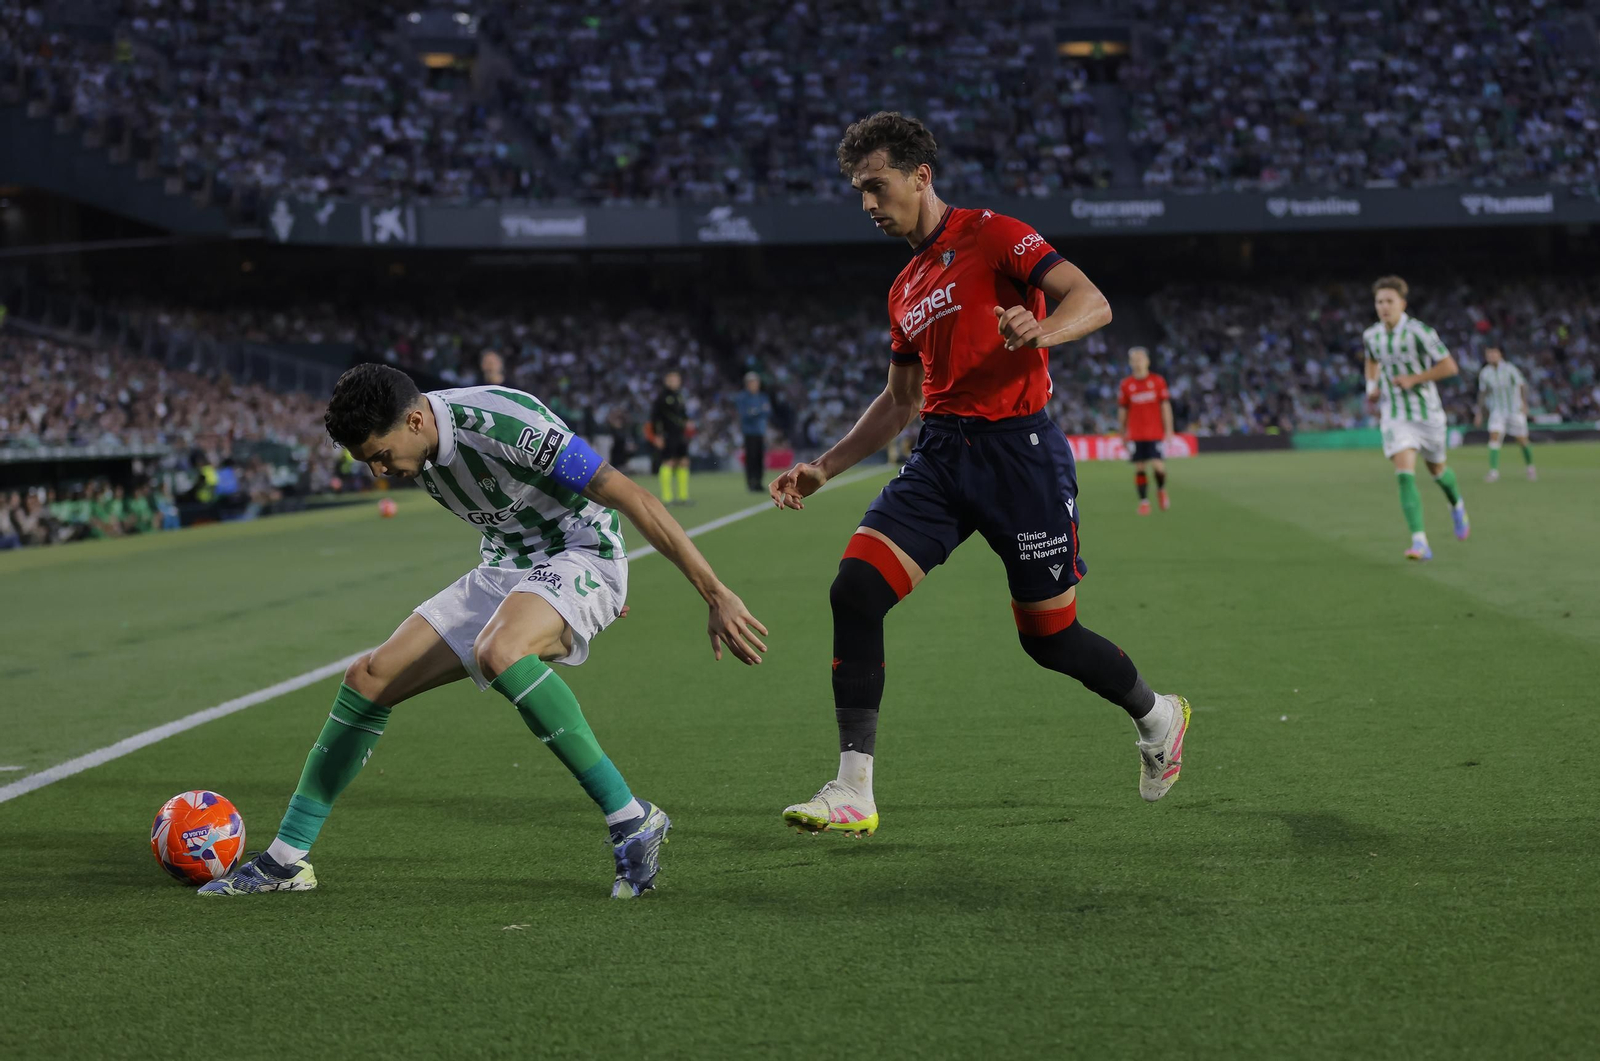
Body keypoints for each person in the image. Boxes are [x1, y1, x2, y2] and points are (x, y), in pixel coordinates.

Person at [768, 111, 1191, 839]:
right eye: (858, 192)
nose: (868, 204)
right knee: (856, 588)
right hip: (941, 458)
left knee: (1050, 638)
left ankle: (1159, 715)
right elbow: (902, 400)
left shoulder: (994, 233)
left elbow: (1093, 301)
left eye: (877, 186)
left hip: (1021, 457)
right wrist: (826, 466)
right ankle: (853, 788)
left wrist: (1042, 328)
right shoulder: (903, 287)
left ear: (921, 175)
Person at [199, 365, 768, 900]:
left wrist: (715, 592)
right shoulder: (418, 445)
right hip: (505, 569)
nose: (379, 472)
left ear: (415, 421)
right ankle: (285, 860)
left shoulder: (507, 428)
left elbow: (631, 496)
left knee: (500, 648)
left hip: (580, 555)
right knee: (368, 677)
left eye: (380, 455)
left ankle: (632, 820)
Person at [1362, 276, 1469, 561]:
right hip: (1395, 415)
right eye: (1379, 302)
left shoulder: (1420, 332)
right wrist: (1371, 388)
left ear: (1402, 304)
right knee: (1404, 474)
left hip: (1428, 414)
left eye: (1389, 301)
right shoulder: (1371, 335)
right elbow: (1371, 360)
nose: (1384, 307)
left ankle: (1456, 504)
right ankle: (1420, 541)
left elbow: (1449, 366)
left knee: (1438, 473)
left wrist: (1414, 379)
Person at [1116, 346, 1174, 514]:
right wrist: (1122, 432)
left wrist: (1169, 430)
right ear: (1130, 363)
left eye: (1140, 358)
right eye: (1134, 359)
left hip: (1155, 433)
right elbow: (1122, 410)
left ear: (1147, 361)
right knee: (1140, 467)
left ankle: (1161, 490)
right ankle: (1144, 501)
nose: (1138, 362)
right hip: (1135, 434)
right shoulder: (1127, 384)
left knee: (1158, 466)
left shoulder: (1157, 381)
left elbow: (1165, 407)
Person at [1475, 346, 1536, 482]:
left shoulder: (1510, 369)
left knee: (1522, 440)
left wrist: (1524, 404)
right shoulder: (1485, 373)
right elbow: (1483, 393)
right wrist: (1479, 413)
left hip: (1514, 410)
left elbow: (1522, 385)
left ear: (1500, 354)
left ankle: (1530, 467)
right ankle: (1493, 472)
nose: (1491, 357)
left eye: (1493, 354)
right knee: (1494, 438)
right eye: (1488, 355)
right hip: (1497, 411)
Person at [648, 370, 693, 504]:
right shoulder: (662, 397)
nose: (675, 382)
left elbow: (683, 414)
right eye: (672, 379)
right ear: (666, 381)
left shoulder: (679, 396)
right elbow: (655, 418)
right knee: (668, 462)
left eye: (677, 379)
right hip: (667, 434)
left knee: (683, 461)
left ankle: (683, 497)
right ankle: (667, 498)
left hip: (680, 434)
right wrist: (657, 436)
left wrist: (687, 422)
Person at [734, 372, 773, 492]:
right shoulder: (742, 397)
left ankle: (759, 482)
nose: (754, 385)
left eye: (756, 382)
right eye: (752, 382)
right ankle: (751, 482)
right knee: (751, 457)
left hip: (760, 431)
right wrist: (759, 411)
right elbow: (745, 415)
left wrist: (755, 412)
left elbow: (768, 412)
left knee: (759, 458)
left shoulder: (762, 396)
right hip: (749, 432)